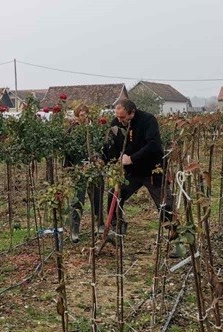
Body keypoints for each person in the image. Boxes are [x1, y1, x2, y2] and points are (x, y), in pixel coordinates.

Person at [103, 99, 181, 258]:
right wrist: (110, 161)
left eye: (123, 117)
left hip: (153, 170)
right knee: (114, 195)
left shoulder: (148, 120)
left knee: (165, 205)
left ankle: (177, 244)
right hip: (131, 173)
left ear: (132, 112)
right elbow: (110, 146)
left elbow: (154, 145)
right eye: (117, 117)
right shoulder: (116, 124)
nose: (120, 120)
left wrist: (131, 158)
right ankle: (117, 229)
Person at [65, 104, 104, 243]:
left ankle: (99, 225)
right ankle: (75, 230)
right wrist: (71, 168)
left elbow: (102, 146)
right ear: (77, 116)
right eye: (80, 114)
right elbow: (68, 150)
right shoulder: (73, 130)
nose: (83, 116)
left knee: (97, 198)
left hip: (95, 168)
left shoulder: (96, 129)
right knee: (77, 200)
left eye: (85, 113)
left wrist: (99, 160)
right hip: (79, 169)